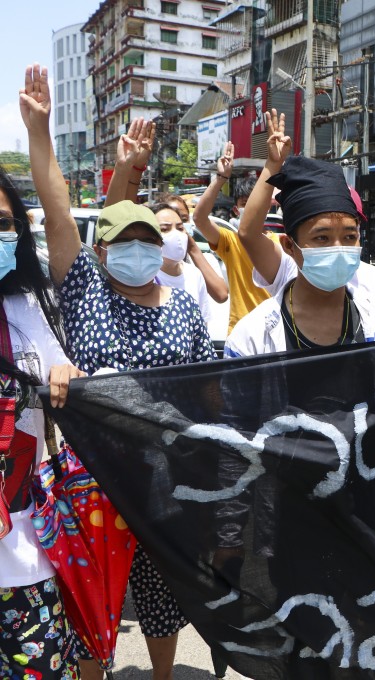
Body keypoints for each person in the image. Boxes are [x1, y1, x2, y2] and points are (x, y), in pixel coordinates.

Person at [25, 64, 214, 680]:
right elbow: (57, 210)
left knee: (161, 598)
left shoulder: (183, 306)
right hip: (91, 479)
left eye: (147, 238)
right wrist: (40, 133)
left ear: (161, 247)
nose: (138, 248)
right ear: (100, 250)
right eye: (123, 240)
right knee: (91, 599)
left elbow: (207, 389)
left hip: (163, 478)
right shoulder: (85, 290)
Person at [1, 68, 88, 680]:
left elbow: (63, 228)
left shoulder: (31, 307)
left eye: (4, 224)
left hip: (24, 554)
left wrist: (39, 136)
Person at [224, 117, 375, 356]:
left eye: (350, 237)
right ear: (289, 245)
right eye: (322, 238)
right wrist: (272, 166)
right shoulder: (252, 337)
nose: (339, 248)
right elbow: (248, 234)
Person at [192, 142, 276, 333]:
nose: (252, 208)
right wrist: (221, 178)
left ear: (267, 207)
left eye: (256, 202)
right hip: (240, 333)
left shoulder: (281, 243)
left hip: (275, 333)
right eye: (246, 203)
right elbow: (199, 218)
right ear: (237, 210)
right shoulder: (230, 241)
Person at [154, 192, 229, 306]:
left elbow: (221, 294)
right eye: (165, 228)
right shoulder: (149, 273)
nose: (175, 232)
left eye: (182, 223)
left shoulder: (199, 267)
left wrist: (193, 249)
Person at [150, 202, 215, 326]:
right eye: (164, 229)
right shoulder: (145, 278)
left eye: (180, 228)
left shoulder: (194, 274)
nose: (176, 235)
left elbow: (202, 326)